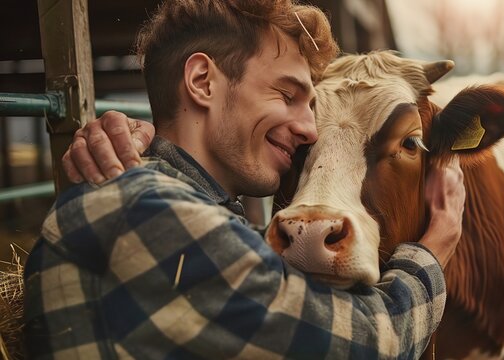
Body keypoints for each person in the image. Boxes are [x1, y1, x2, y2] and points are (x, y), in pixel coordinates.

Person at [24, 0, 465, 359]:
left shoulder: (183, 210)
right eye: (287, 95)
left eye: (311, 105)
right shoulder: (140, 209)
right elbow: (369, 344)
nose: (310, 129)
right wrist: (436, 244)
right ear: (202, 82)